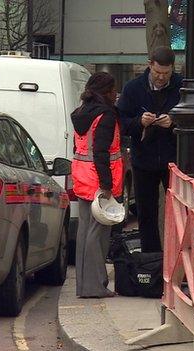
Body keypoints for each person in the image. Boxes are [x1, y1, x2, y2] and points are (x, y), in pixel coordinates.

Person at [116, 46, 182, 253]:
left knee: (180, 212)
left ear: (173, 69)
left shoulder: (183, 86)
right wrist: (139, 122)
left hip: (174, 158)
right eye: (157, 73)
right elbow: (122, 123)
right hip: (143, 159)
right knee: (146, 213)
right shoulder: (133, 88)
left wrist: (173, 122)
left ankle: (177, 258)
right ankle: (151, 259)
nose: (161, 78)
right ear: (149, 65)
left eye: (166, 73)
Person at [71, 72, 123, 298]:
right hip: (99, 181)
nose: (115, 94)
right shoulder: (106, 116)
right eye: (113, 90)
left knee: (84, 233)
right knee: (98, 234)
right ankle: (95, 286)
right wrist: (107, 184)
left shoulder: (80, 113)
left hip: (82, 178)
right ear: (106, 92)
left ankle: (84, 285)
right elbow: (101, 152)